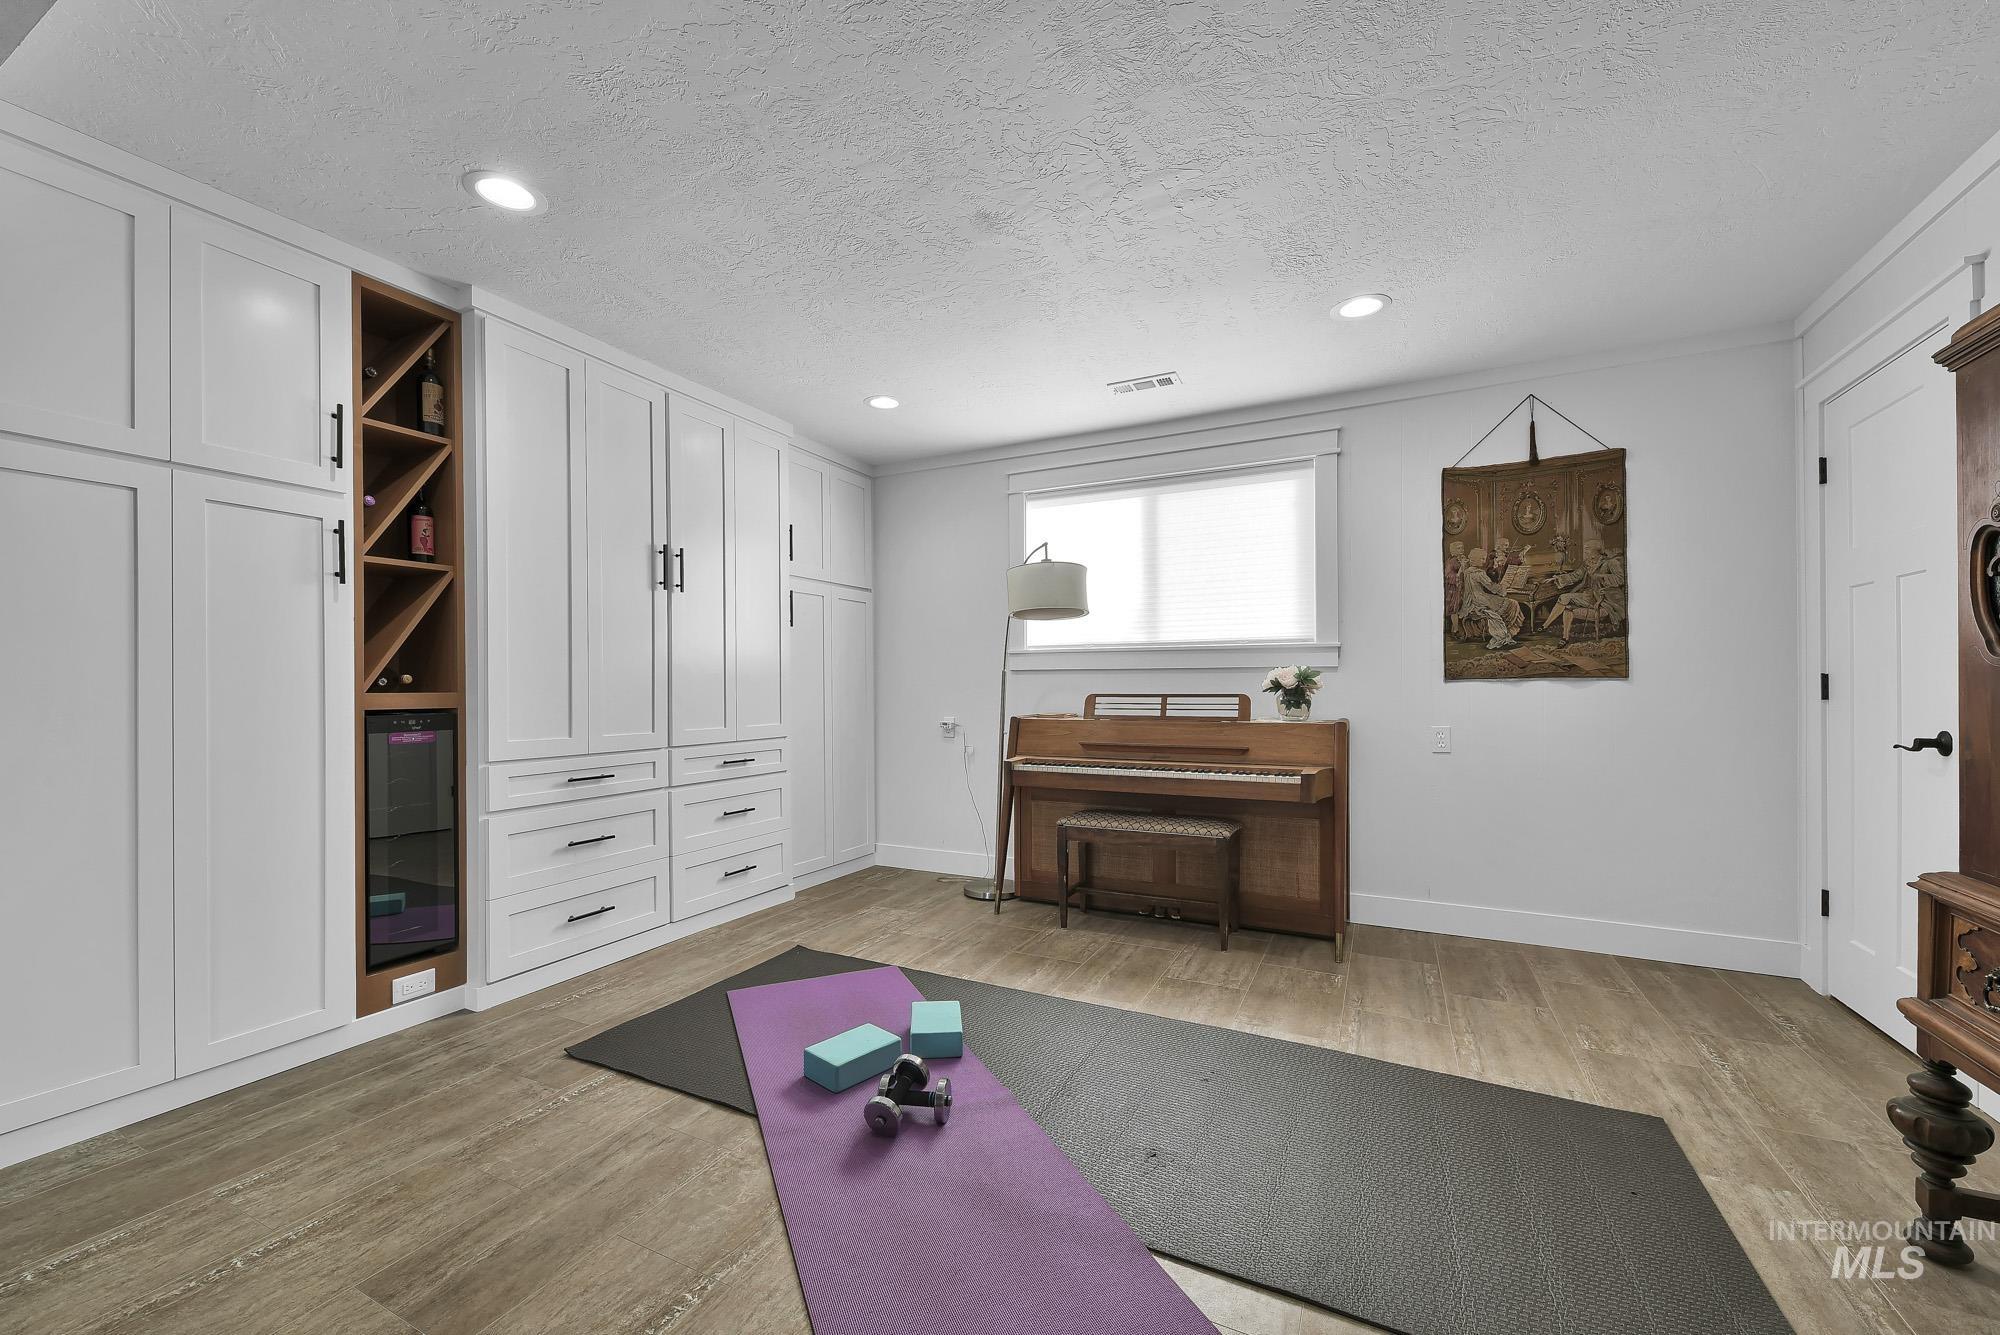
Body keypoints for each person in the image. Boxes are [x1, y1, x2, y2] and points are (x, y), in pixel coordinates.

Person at [1459, 547, 1523, 649]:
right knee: (1512, 603)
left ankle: (1506, 633)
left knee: (1507, 603)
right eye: (1482, 559)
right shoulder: (1479, 573)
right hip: (1480, 600)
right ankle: (1507, 634)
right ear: (1474, 560)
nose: (1484, 561)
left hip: (1470, 601)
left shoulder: (1467, 571)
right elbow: (1492, 587)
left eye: (1484, 559)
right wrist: (1503, 587)